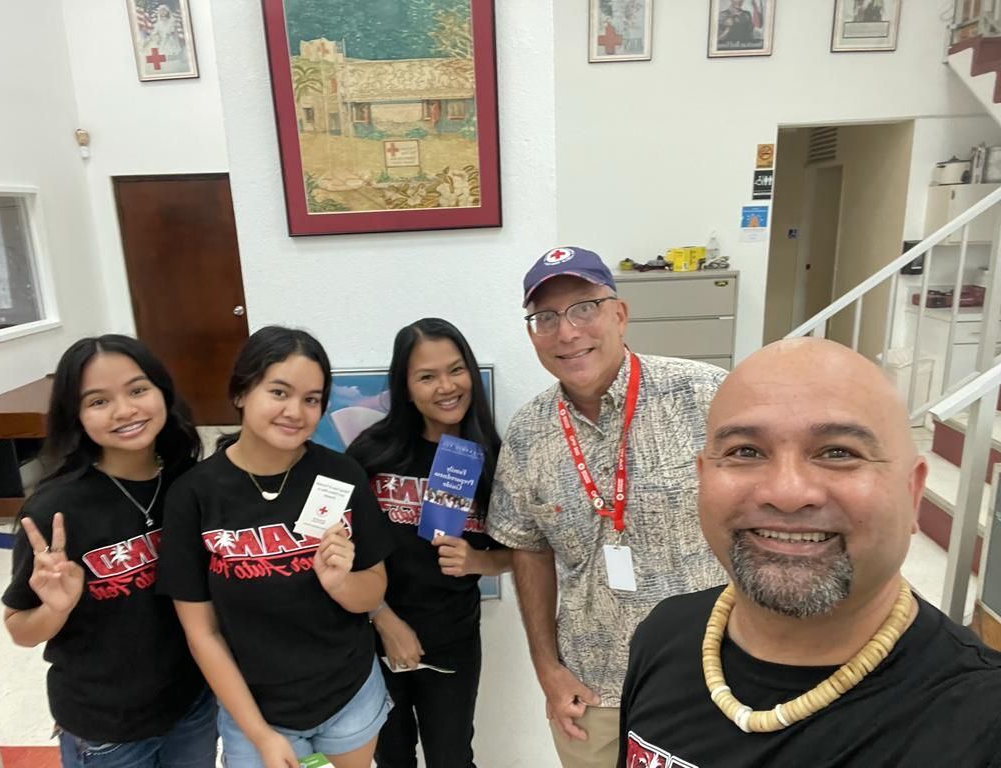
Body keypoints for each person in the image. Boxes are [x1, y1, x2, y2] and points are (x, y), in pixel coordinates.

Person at [619, 338, 1001, 767]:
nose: (787, 493)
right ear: (703, 478)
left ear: (912, 493)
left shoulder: (981, 723)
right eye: (745, 451)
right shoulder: (663, 634)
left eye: (839, 452)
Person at [486, 246, 727, 768]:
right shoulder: (529, 433)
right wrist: (547, 669)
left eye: (584, 308)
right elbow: (529, 552)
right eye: (545, 318)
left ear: (619, 313)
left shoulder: (705, 396)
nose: (567, 332)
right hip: (590, 689)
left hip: (710, 677)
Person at [156, 326, 395, 768]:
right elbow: (201, 631)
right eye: (279, 392)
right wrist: (261, 735)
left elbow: (374, 591)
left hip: (350, 698)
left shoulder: (342, 476)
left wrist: (340, 583)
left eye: (311, 399)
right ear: (243, 391)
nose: (295, 412)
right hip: (255, 712)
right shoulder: (195, 495)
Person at [1, 334, 216, 768]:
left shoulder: (189, 483)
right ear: (76, 415)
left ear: (162, 392)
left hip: (192, 706)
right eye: (98, 401)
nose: (125, 410)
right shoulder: (54, 511)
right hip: (107, 730)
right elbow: (20, 629)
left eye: (138, 390)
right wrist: (56, 609)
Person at [347, 318, 511, 768]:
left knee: (452, 758)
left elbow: (521, 552)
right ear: (405, 386)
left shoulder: (492, 458)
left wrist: (478, 560)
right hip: (376, 635)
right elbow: (338, 551)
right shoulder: (371, 453)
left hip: (453, 639)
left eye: (456, 370)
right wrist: (384, 620)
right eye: (426, 376)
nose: (446, 386)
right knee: (391, 757)